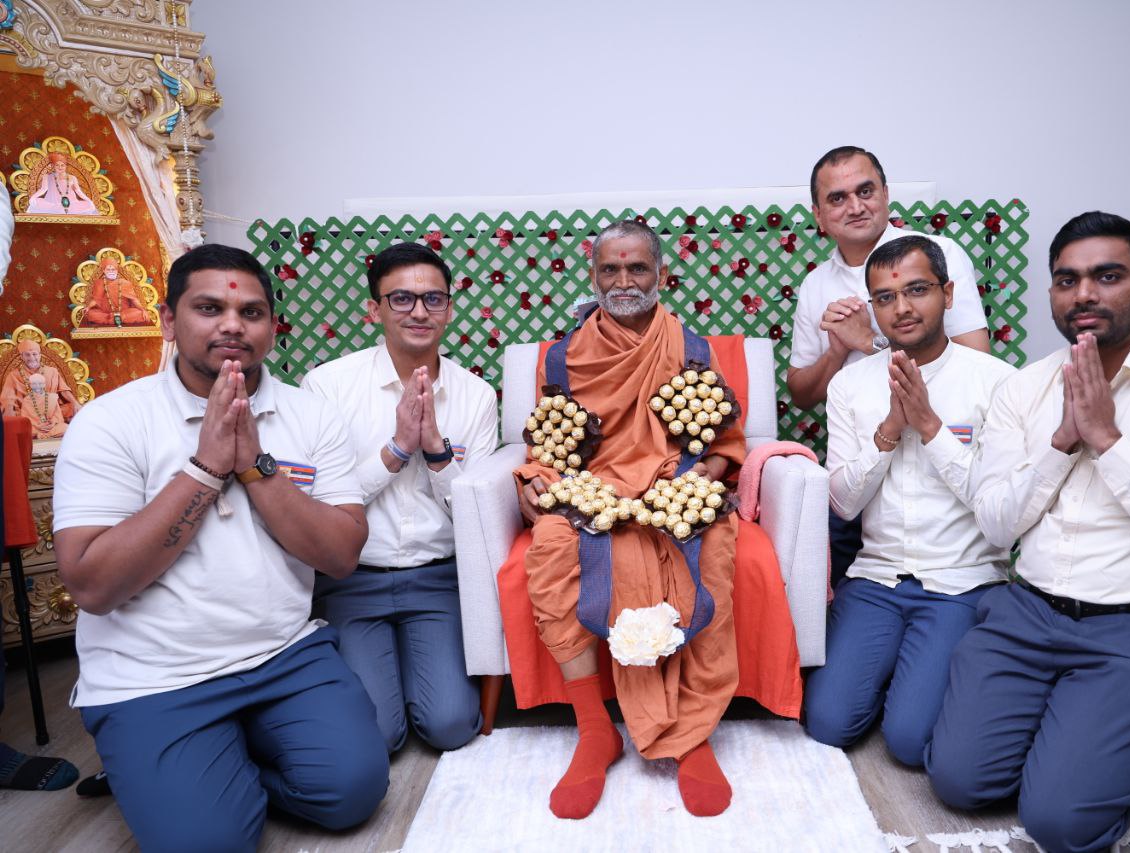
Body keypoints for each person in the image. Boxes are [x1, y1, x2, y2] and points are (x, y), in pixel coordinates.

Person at [926, 212, 1130, 852]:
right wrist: (1061, 443)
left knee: (1060, 823)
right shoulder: (1023, 390)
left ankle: (1120, 726)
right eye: (1067, 280)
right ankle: (1080, 730)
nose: (1084, 293)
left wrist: (1108, 441)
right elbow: (996, 526)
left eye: (1108, 276)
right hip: (1028, 614)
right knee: (960, 782)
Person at [52, 244, 389, 850]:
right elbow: (93, 586)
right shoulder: (109, 421)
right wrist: (206, 468)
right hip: (154, 675)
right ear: (167, 320)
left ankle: (212, 767)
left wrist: (256, 466)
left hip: (283, 654)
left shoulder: (311, 416)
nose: (233, 325)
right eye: (209, 308)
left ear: (272, 327)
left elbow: (341, 556)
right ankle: (173, 773)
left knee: (352, 793)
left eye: (251, 312)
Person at [514, 220, 744, 819]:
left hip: (675, 485)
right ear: (593, 276)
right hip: (592, 491)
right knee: (551, 543)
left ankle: (692, 733)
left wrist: (698, 478)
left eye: (637, 268)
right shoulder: (563, 357)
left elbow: (724, 444)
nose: (623, 281)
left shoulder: (692, 348)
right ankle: (595, 729)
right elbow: (550, 445)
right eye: (610, 269)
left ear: (661, 274)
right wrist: (538, 480)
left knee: (710, 545)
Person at [804, 235, 1013, 765]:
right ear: (873, 307)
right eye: (885, 297)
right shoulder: (851, 385)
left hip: (961, 583)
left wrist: (930, 426)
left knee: (908, 740)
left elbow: (1002, 512)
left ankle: (920, 677)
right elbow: (843, 505)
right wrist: (890, 432)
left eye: (917, 290)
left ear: (948, 293)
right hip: (877, 580)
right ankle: (902, 670)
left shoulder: (997, 383)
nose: (902, 307)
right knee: (826, 723)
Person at [302, 242, 496, 753]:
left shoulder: (476, 395)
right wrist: (396, 450)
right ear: (375, 309)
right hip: (353, 580)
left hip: (438, 579)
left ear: (449, 309)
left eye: (433, 299)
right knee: (380, 735)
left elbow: (477, 515)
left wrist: (436, 453)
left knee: (450, 725)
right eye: (402, 299)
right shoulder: (327, 386)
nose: (419, 312)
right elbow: (320, 504)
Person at [786, 145, 991, 581]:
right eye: (837, 198)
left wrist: (871, 341)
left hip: (940, 452)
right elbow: (801, 393)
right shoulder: (816, 284)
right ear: (818, 216)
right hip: (860, 460)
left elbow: (976, 358)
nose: (855, 206)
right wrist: (837, 351)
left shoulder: (936, 253)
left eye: (866, 191)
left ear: (885, 194)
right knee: (848, 589)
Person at [0, 184, 80, 793]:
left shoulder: (51, 372)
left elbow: (64, 398)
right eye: (24, 356)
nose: (31, 361)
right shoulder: (18, 378)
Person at [1, 340, 79, 422]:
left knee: (73, 408)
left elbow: (64, 390)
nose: (31, 358)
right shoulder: (13, 375)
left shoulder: (52, 372)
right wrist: (9, 410)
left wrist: (75, 403)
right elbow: (7, 397)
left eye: (34, 354)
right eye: (27, 355)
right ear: (22, 357)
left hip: (51, 411)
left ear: (40, 355)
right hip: (26, 413)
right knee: (10, 415)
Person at [82, 257, 150, 327]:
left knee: (139, 313)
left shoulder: (125, 283)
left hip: (124, 313)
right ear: (104, 271)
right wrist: (88, 307)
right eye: (108, 269)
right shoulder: (99, 283)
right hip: (105, 313)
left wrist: (143, 310)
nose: (111, 271)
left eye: (113, 269)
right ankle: (116, 319)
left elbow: (134, 300)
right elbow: (96, 300)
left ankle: (113, 319)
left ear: (117, 270)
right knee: (91, 314)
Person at [25, 152, 97, 216]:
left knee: (88, 205)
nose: (60, 167)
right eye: (57, 165)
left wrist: (89, 201)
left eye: (62, 165)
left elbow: (78, 191)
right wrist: (33, 197)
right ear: (53, 166)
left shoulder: (72, 178)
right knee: (36, 202)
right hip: (52, 203)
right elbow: (43, 189)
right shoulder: (47, 177)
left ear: (66, 166)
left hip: (71, 204)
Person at [17, 373, 68, 439]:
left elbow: (57, 414)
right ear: (30, 385)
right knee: (24, 430)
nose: (37, 386)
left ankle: (41, 436)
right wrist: (38, 426)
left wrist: (53, 423)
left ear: (44, 384)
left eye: (40, 383)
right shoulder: (27, 400)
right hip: (35, 427)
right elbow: (26, 418)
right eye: (34, 384)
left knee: (65, 427)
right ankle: (45, 435)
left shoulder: (51, 397)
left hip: (51, 426)